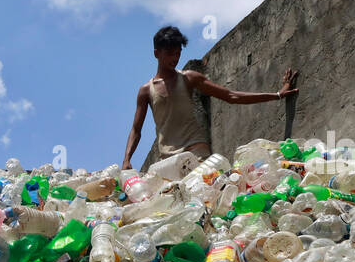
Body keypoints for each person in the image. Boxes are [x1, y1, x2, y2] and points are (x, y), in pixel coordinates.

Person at [123, 26, 298, 171]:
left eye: (178, 53)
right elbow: (136, 130)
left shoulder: (189, 78)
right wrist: (127, 159)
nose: (175, 58)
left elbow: (231, 96)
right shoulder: (146, 91)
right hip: (169, 161)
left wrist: (277, 94)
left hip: (197, 153)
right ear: (156, 54)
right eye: (170, 53)